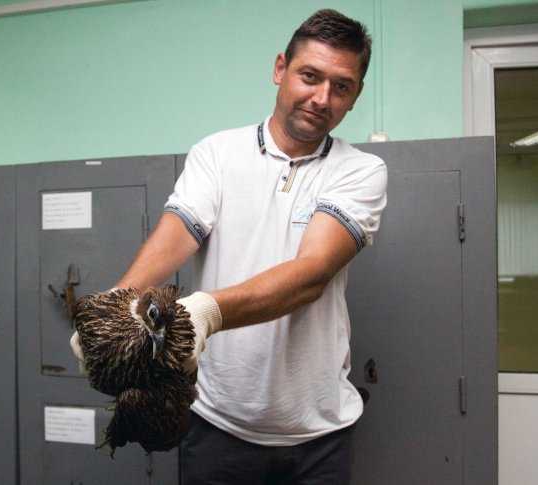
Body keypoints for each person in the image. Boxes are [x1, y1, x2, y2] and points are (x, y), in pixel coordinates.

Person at [73, 8, 387, 484]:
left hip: (319, 437)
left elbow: (312, 273)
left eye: (341, 86)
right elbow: (180, 230)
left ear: (355, 96)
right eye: (309, 76)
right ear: (280, 69)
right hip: (216, 426)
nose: (322, 98)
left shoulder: (360, 171)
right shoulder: (217, 154)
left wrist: (206, 312)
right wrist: (117, 305)